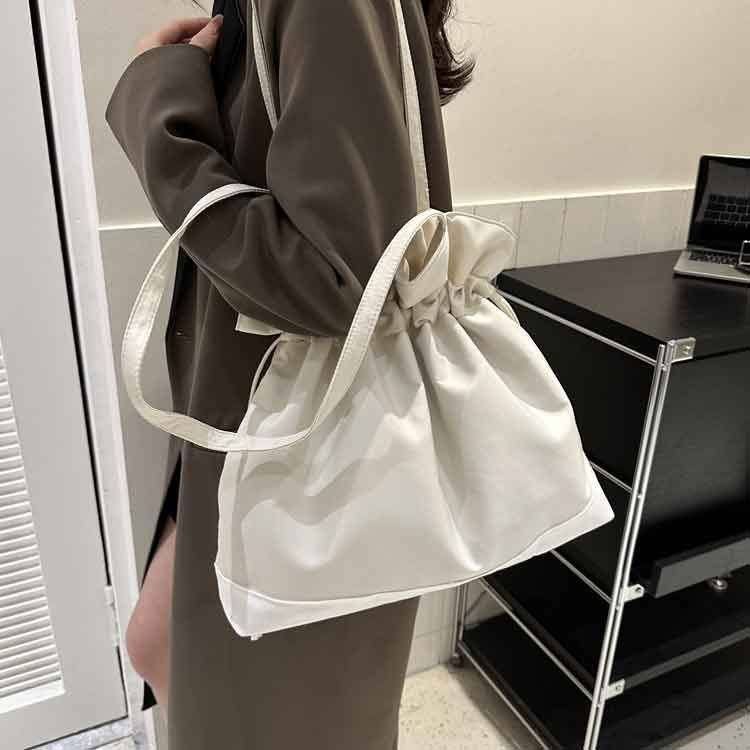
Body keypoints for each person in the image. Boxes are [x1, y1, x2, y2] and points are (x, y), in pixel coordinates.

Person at [105, 1, 473, 746]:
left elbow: (339, 282)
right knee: (162, 647)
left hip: (295, 439)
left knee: (272, 717)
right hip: (254, 423)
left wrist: (158, 110)